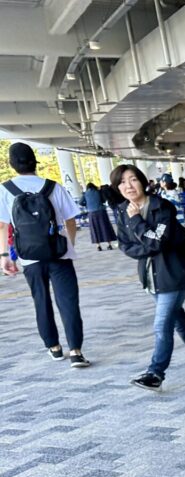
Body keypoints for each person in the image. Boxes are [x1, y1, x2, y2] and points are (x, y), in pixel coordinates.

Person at [112, 163, 185, 391]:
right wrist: (148, 246)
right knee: (178, 321)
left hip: (174, 273)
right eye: (122, 182)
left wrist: (137, 222)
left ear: (143, 182)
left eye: (133, 179)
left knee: (161, 325)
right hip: (150, 276)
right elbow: (125, 246)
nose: (128, 186)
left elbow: (158, 241)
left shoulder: (162, 207)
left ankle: (155, 373)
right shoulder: (121, 211)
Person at [0, 142, 90, 368]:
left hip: (29, 256)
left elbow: (3, 226)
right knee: (68, 302)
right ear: (34, 162)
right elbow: (70, 220)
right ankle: (76, 352)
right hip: (60, 254)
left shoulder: (5, 190)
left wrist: (4, 256)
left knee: (41, 301)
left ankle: (54, 347)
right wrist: (68, 244)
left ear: (12, 164)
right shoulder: (53, 186)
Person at [81, 182, 117, 251]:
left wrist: (87, 205)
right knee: (105, 227)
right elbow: (103, 200)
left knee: (95, 229)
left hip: (91, 213)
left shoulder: (85, 194)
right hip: (101, 212)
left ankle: (98, 246)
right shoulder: (98, 192)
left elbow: (80, 202)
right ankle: (109, 245)